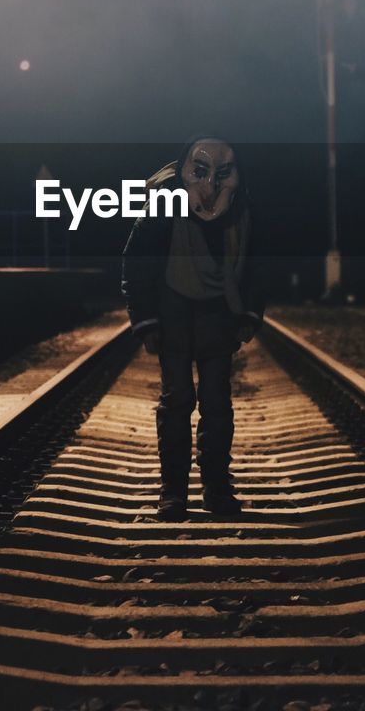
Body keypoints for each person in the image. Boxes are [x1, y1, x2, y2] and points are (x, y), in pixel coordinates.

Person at [121, 136, 266, 520]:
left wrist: (249, 313)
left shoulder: (243, 210)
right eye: (200, 172)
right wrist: (146, 319)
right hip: (174, 315)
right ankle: (175, 493)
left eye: (223, 174)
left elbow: (257, 262)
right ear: (184, 171)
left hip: (218, 317)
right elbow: (139, 260)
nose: (212, 185)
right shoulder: (163, 208)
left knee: (216, 405)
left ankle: (216, 490)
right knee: (177, 402)